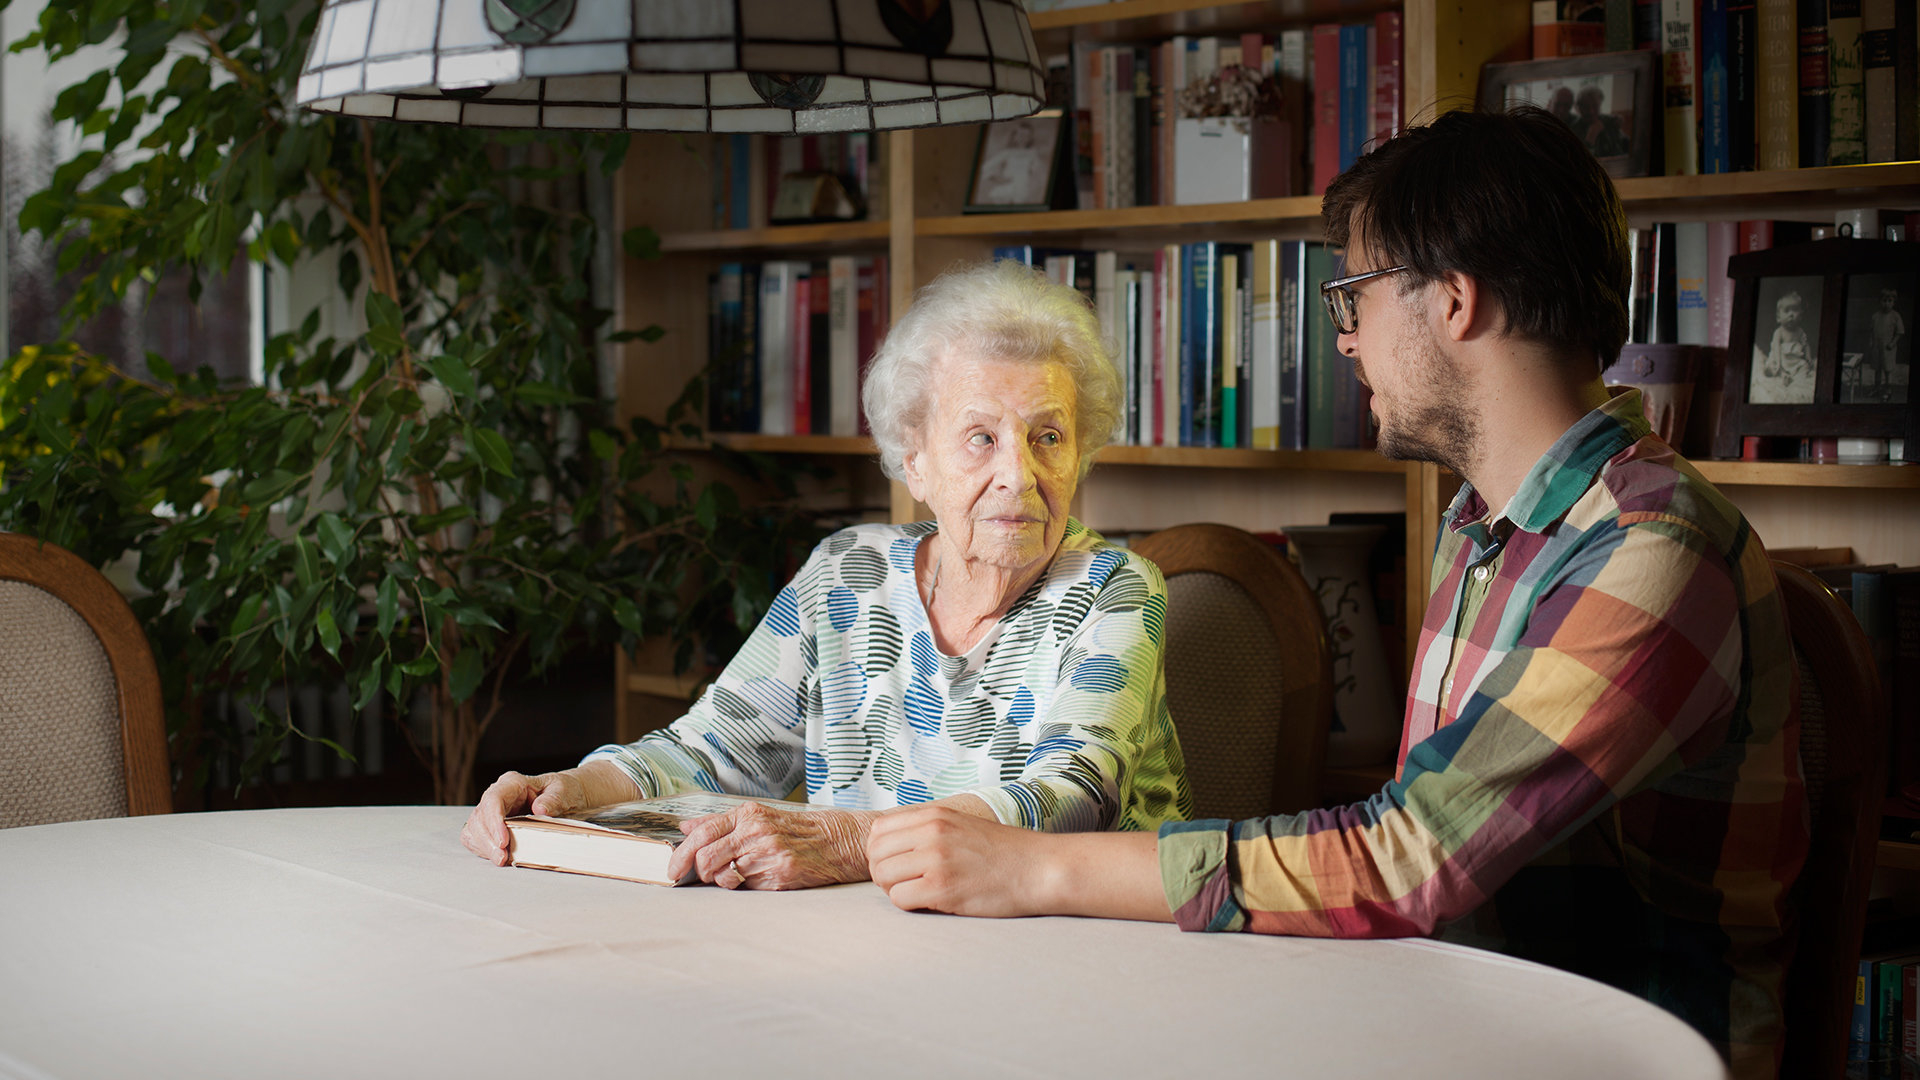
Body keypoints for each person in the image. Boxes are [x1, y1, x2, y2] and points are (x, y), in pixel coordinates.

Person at [869, 106, 1805, 1080]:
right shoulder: (1481, 522)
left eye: (1354, 298)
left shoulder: (1650, 547)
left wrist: (1032, 866)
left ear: (1452, 301)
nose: (1347, 341)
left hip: (1610, 1054)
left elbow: (1411, 855)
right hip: (1446, 1022)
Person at [462, 259, 1192, 890]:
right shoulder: (848, 574)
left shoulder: (1114, 590)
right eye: (981, 438)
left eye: (1048, 437)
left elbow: (1069, 801)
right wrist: (570, 789)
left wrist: (852, 843)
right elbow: (714, 750)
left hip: (1079, 953)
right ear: (916, 460)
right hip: (875, 940)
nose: (1018, 474)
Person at [1752, 290, 1813, 404]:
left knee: (1804, 366)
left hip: (1795, 361)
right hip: (1781, 359)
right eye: (1787, 311)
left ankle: (1794, 379)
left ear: (1801, 315)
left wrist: (1808, 356)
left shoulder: (1800, 332)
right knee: (1771, 367)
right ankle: (1782, 375)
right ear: (1778, 317)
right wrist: (1778, 364)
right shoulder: (1779, 332)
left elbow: (1806, 344)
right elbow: (1775, 349)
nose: (1791, 315)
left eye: (1795, 310)